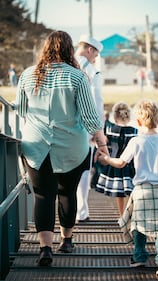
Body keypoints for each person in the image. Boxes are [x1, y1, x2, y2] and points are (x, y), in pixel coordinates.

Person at [15, 30, 109, 266]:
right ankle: (66, 240)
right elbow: (89, 117)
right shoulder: (78, 77)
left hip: (36, 146)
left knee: (43, 195)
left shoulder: (27, 75)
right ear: (69, 49)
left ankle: (45, 248)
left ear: (45, 48)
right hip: (72, 147)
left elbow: (22, 110)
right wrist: (102, 143)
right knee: (67, 193)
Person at [98, 99, 158, 276]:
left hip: (141, 190)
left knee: (138, 225)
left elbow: (121, 163)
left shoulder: (136, 141)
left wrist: (106, 160)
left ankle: (139, 257)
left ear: (137, 122)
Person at [75, 34, 104, 222]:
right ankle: (81, 211)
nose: (95, 58)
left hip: (60, 126)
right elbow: (97, 102)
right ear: (90, 50)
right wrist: (98, 130)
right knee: (84, 169)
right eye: (96, 55)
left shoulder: (63, 65)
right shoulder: (92, 72)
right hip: (84, 128)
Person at [96, 102, 138, 216]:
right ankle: (132, 214)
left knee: (119, 194)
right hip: (130, 164)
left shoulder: (110, 130)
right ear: (129, 116)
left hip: (114, 163)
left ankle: (121, 215)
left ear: (114, 116)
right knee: (132, 191)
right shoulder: (134, 131)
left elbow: (104, 145)